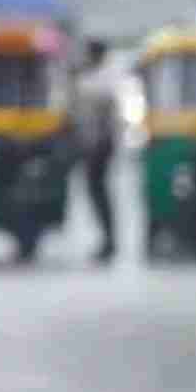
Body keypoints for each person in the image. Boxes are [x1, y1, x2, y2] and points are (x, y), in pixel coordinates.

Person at [74, 38, 119, 263]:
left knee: (99, 193)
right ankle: (107, 240)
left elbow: (97, 98)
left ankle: (109, 241)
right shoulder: (93, 75)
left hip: (100, 145)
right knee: (95, 192)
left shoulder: (105, 77)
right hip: (92, 143)